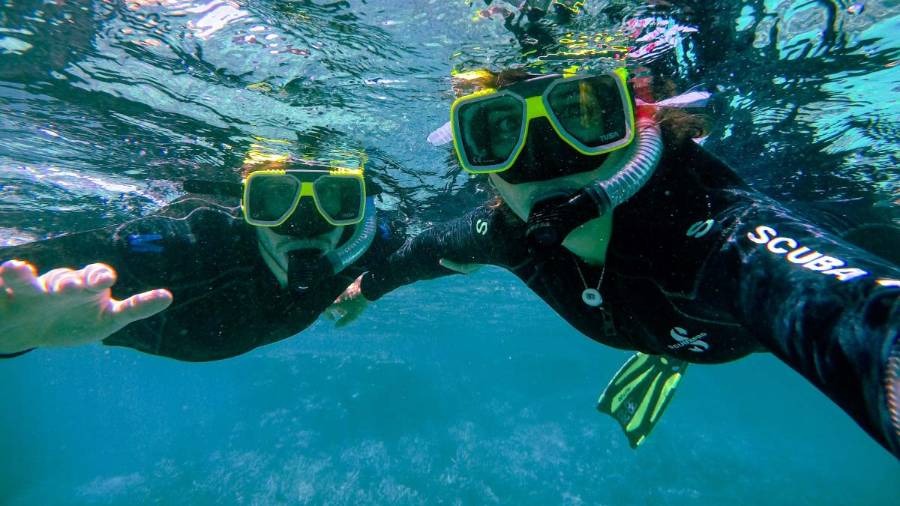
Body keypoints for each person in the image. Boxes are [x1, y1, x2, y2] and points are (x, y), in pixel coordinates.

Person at [329, 67, 900, 456]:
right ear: (477, 158)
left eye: (582, 113)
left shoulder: (723, 237)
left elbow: (854, 314)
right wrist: (365, 290)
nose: (544, 157)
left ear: (641, 126)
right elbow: (423, 254)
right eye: (501, 129)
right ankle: (668, 356)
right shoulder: (504, 231)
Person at [0, 142, 405, 361]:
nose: (305, 223)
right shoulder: (188, 245)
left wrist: (372, 286)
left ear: (357, 207)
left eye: (334, 198)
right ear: (247, 204)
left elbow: (438, 246)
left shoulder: (368, 239)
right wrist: (15, 336)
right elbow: (20, 280)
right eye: (275, 198)